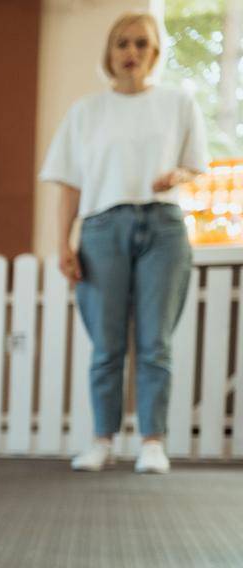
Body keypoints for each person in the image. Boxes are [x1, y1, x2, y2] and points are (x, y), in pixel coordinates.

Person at [40, 10, 208, 475]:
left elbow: (195, 163)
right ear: (110, 53)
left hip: (164, 228)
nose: (131, 53)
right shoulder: (86, 112)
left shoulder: (179, 103)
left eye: (141, 44)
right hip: (101, 229)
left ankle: (152, 442)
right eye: (122, 44)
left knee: (156, 343)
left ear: (155, 52)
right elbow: (69, 184)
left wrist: (179, 174)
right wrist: (64, 244)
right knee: (107, 345)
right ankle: (102, 440)